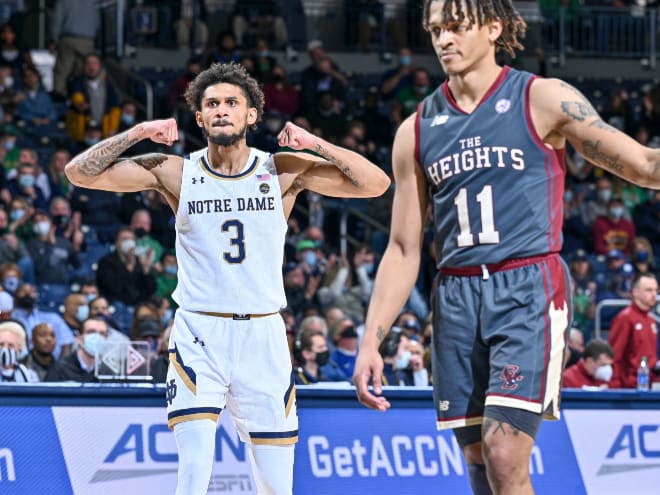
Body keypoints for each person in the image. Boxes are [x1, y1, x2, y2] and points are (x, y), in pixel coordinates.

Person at [352, 1, 660, 494]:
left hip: (526, 286)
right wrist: (372, 341)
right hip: (455, 296)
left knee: (503, 452)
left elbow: (644, 166)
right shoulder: (415, 129)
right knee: (477, 460)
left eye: (455, 27)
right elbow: (405, 248)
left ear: (494, 27)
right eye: (435, 30)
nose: (443, 40)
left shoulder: (543, 98)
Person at [63, 62, 389, 495]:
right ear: (198, 118)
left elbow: (377, 184)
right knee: (194, 472)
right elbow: (78, 173)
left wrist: (315, 144)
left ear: (252, 115)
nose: (221, 111)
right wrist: (138, 131)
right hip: (201, 330)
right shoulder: (175, 171)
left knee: (276, 485)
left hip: (265, 332)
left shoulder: (282, 170)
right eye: (211, 104)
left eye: (232, 103)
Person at [608, 272, 659, 389]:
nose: (654, 294)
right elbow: (615, 355)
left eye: (656, 290)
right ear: (635, 292)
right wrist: (615, 386)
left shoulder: (651, 320)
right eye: (649, 290)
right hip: (630, 387)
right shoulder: (625, 318)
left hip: (650, 384)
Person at [44, 316, 109, 382]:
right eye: (91, 332)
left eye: (102, 333)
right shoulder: (59, 370)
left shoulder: (108, 373)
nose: (97, 337)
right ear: (79, 338)